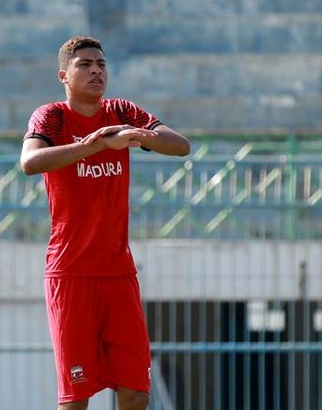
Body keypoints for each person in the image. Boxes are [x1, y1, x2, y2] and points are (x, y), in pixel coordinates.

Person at [20, 36, 190, 410]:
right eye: (85, 65)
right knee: (76, 397)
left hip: (118, 274)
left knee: (136, 393)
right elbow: (30, 163)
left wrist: (137, 136)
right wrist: (97, 145)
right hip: (71, 273)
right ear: (63, 75)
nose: (96, 70)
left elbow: (180, 146)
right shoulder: (52, 116)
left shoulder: (121, 111)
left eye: (101, 64)